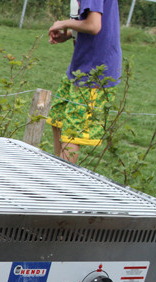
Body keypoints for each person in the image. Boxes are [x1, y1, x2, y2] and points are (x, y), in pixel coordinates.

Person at [46, 0, 121, 163]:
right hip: (79, 67)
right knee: (58, 119)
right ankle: (56, 169)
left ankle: (62, 177)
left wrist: (64, 23)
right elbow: (88, 23)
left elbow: (93, 25)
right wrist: (67, 34)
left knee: (72, 134)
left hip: (95, 71)